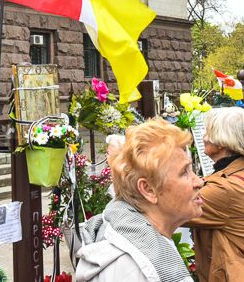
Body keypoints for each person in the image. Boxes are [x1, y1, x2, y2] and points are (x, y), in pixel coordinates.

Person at [74, 119, 203, 282]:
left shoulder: (145, 251)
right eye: (184, 172)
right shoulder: (136, 269)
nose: (199, 182)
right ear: (149, 190)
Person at [185, 107, 244, 282]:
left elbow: (170, 208)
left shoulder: (226, 189)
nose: (203, 137)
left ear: (222, 142)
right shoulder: (243, 170)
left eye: (208, 132)